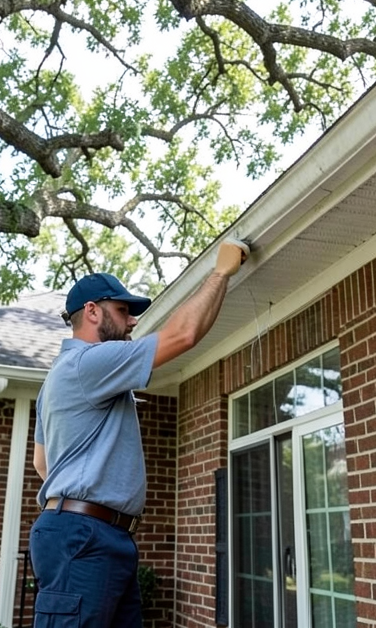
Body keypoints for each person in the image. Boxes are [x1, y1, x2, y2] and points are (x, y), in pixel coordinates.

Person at [30, 240, 248, 627]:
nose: (132, 321)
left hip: (93, 533)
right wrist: (221, 273)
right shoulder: (88, 362)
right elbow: (183, 335)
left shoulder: (57, 379)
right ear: (92, 311)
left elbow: (42, 462)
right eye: (123, 311)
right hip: (86, 536)